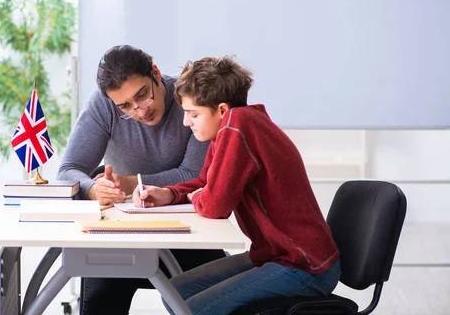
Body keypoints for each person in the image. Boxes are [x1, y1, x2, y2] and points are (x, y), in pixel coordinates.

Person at [133, 56, 341, 315]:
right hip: (273, 255)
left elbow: (215, 206)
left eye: (193, 114)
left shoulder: (238, 125)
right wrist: (168, 194)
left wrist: (200, 196)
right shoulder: (230, 129)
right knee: (174, 293)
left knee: (195, 309)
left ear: (221, 109)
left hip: (304, 266)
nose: (187, 123)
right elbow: (205, 185)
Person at [57, 45, 226, 315]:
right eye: (125, 106)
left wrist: (132, 183)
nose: (140, 110)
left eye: (143, 95)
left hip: (188, 228)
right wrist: (92, 189)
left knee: (209, 299)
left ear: (156, 74)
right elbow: (68, 169)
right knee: (100, 300)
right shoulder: (103, 104)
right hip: (122, 233)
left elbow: (194, 174)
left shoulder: (191, 99)